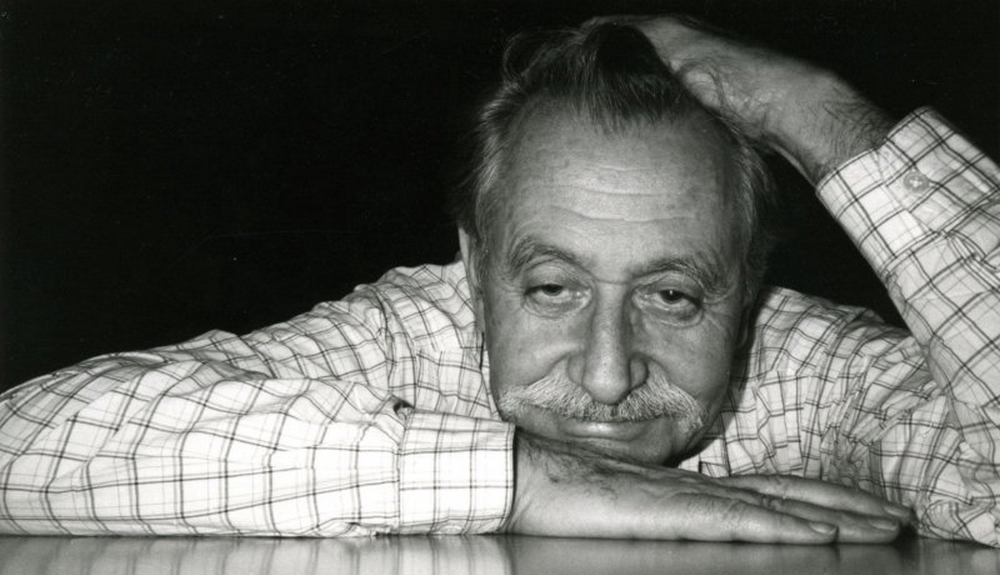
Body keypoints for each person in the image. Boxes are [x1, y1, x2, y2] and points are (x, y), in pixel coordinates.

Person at [0, 16, 996, 546]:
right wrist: (523, 479)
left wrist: (821, 115)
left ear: (748, 289)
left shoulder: (804, 367)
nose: (607, 376)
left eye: (674, 296)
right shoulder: (411, 335)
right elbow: (21, 442)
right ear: (475, 274)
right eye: (553, 288)